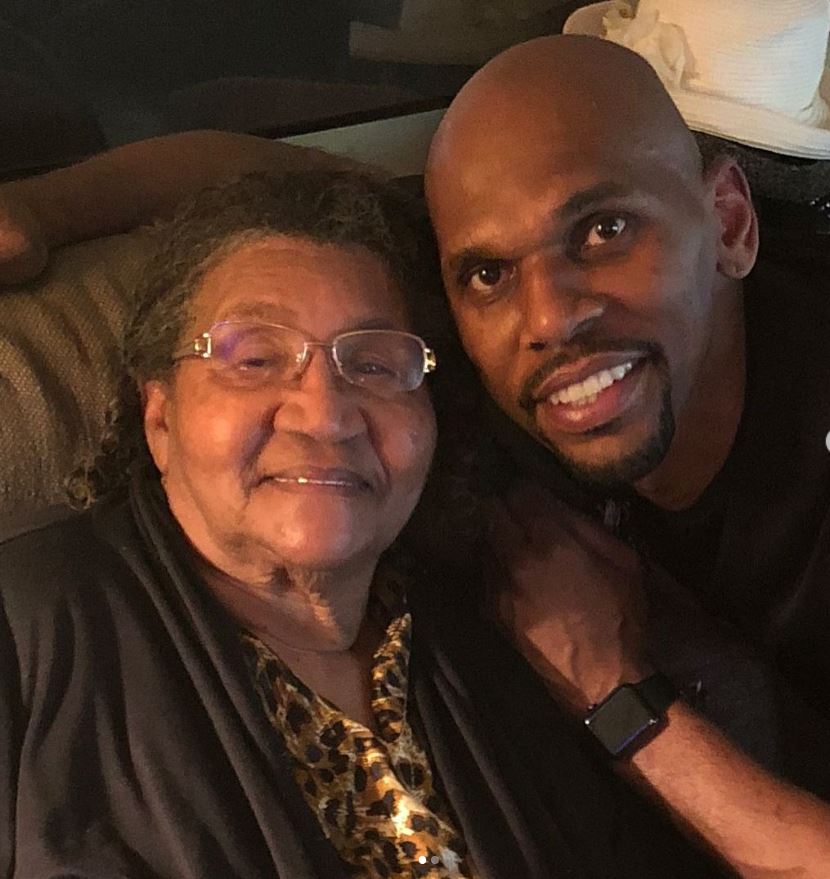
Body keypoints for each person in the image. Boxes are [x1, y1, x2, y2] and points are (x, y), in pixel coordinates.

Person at [3, 25, 830, 878]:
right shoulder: (37, 626)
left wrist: (618, 699)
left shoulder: (501, 636)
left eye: (607, 229)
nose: (548, 320)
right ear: (158, 415)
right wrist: (41, 209)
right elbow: (289, 195)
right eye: (487, 276)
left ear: (729, 222)